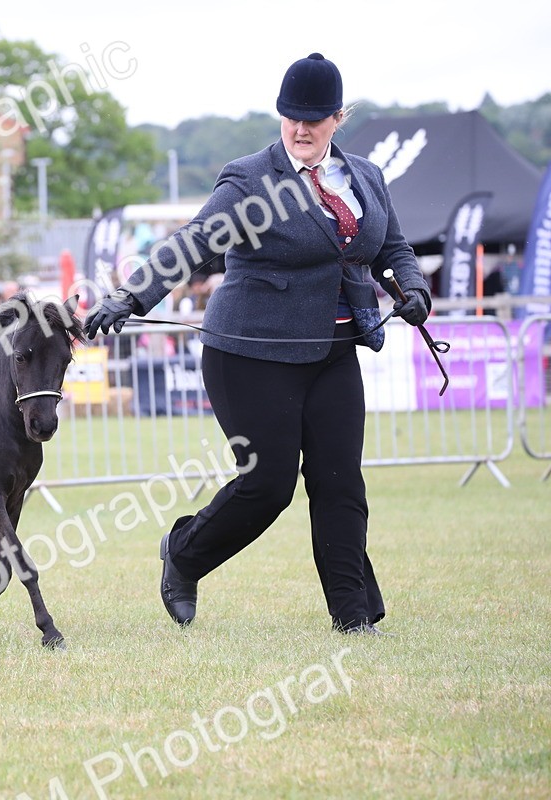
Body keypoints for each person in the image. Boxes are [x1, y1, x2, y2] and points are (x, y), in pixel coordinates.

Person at [84, 53, 431, 636]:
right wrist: (131, 296)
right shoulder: (252, 179)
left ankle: (353, 617)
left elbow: (392, 248)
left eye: (314, 119)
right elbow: (193, 242)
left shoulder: (367, 177)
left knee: (340, 480)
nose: (300, 128)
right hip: (248, 353)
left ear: (338, 118)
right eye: (290, 116)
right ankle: (185, 554)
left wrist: (414, 288)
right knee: (269, 484)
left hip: (333, 351)